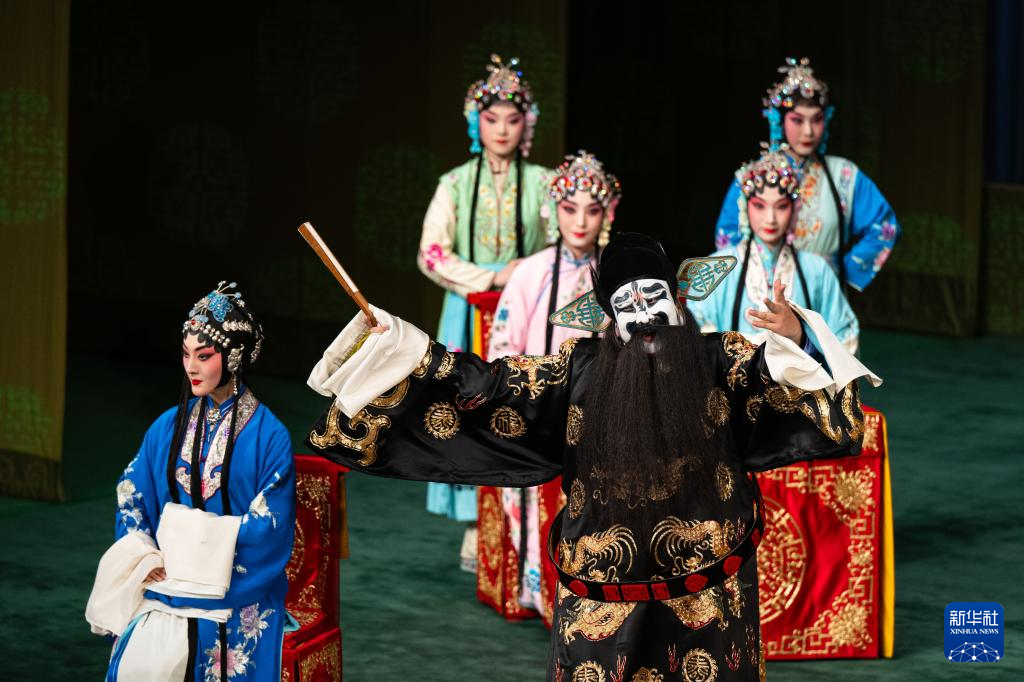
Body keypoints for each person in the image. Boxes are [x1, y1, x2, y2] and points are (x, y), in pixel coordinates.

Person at [306, 232, 880, 680]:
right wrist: (407, 351)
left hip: (709, 591)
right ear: (608, 317)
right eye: (626, 303)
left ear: (679, 298)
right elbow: (491, 389)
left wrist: (795, 340)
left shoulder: (719, 361)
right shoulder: (575, 372)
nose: (644, 313)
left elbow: (777, 383)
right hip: (603, 595)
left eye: (654, 296)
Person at [89, 282, 295, 681]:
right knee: (140, 663)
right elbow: (132, 494)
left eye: (203, 356)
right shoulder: (168, 425)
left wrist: (195, 558)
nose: (191, 367)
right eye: (186, 354)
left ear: (234, 356)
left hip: (232, 587)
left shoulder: (270, 436)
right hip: (164, 579)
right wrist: (145, 558)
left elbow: (269, 528)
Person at [417, 54, 554, 571]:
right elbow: (431, 252)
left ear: (527, 124)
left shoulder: (545, 183)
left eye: (512, 119)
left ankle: (526, 517)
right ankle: (476, 522)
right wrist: (491, 276)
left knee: (520, 402)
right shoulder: (454, 183)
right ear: (476, 122)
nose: (501, 129)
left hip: (528, 308)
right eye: (491, 118)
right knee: (467, 406)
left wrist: (526, 275)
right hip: (469, 308)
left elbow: (563, 244)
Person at [487, 150, 621, 616]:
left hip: (605, 410)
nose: (580, 221)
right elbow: (503, 345)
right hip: (541, 407)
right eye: (569, 208)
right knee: (537, 497)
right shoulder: (531, 272)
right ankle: (543, 590)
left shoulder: (617, 272)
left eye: (592, 210)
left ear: (608, 213)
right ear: (553, 210)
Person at [715, 57, 900, 292]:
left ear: (826, 118)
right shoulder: (752, 177)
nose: (808, 131)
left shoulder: (844, 175)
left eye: (817, 119)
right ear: (779, 120)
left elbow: (884, 226)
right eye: (797, 120)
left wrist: (842, 275)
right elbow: (727, 242)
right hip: (760, 296)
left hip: (821, 295)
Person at [692, 144, 859, 353]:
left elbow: (845, 338)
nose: (770, 218)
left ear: (795, 209)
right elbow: (693, 340)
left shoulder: (817, 270)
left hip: (801, 376)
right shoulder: (713, 270)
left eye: (781, 206)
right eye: (759, 205)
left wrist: (799, 335)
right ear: (744, 206)